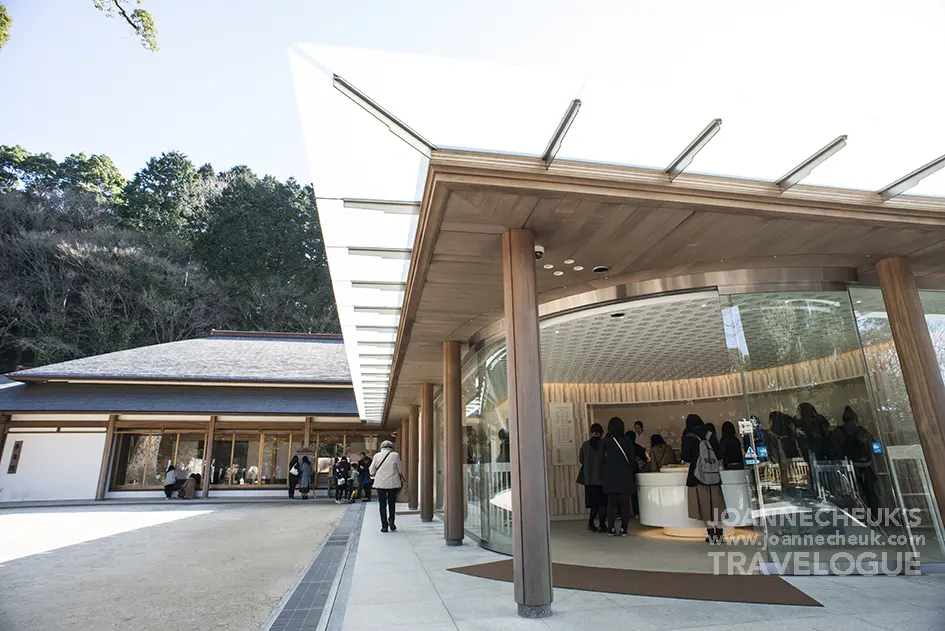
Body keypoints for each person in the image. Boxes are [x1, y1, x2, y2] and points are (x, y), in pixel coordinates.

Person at [681, 414, 726, 544]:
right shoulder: (710, 434)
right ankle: (720, 532)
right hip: (713, 475)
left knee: (705, 505)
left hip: (697, 476)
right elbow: (718, 454)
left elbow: (686, 457)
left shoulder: (688, 437)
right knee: (716, 504)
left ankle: (711, 534)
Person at [832, 405, 880, 519]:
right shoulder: (862, 431)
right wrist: (877, 456)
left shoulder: (837, 432)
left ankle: (859, 518)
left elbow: (833, 451)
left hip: (849, 467)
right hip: (865, 466)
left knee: (852, 494)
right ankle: (875, 518)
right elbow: (876, 446)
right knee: (870, 493)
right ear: (855, 419)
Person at [602, 417, 637, 536]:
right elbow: (632, 460)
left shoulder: (605, 442)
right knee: (625, 504)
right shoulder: (627, 441)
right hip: (625, 476)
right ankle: (624, 528)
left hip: (610, 476)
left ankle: (611, 528)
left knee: (611, 504)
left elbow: (602, 460)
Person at [577, 423, 607, 532]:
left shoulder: (585, 445)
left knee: (594, 503)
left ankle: (591, 523)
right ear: (601, 432)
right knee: (603, 503)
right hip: (602, 479)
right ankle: (602, 525)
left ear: (591, 432)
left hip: (589, 479)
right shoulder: (604, 444)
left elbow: (581, 460)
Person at [370, 440, 404, 533]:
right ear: (391, 447)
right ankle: (392, 521)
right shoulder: (395, 455)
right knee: (392, 504)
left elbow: (371, 471)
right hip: (393, 483)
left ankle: (384, 526)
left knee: (382, 504)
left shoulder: (376, 456)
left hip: (380, 484)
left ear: (381, 447)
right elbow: (400, 470)